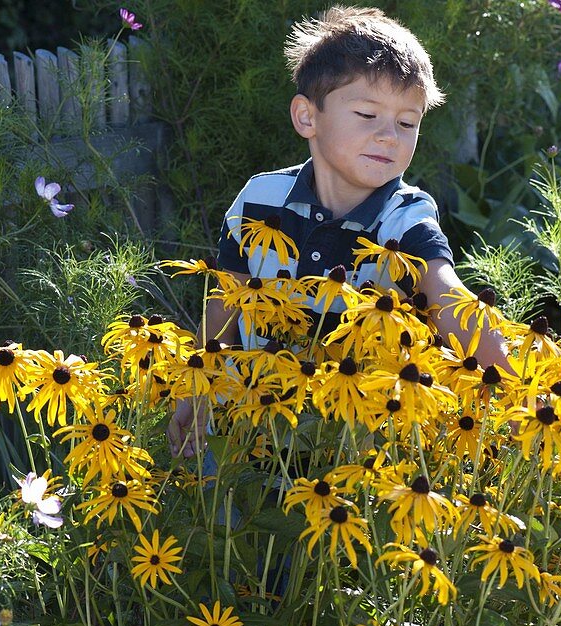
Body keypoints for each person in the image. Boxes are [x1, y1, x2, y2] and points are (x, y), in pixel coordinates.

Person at [168, 5, 514, 459]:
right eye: (368, 116)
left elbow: (447, 296)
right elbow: (224, 306)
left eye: (407, 123)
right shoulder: (259, 200)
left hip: (361, 453)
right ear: (307, 118)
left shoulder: (403, 217)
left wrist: (517, 384)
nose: (390, 135)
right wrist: (196, 389)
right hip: (251, 437)